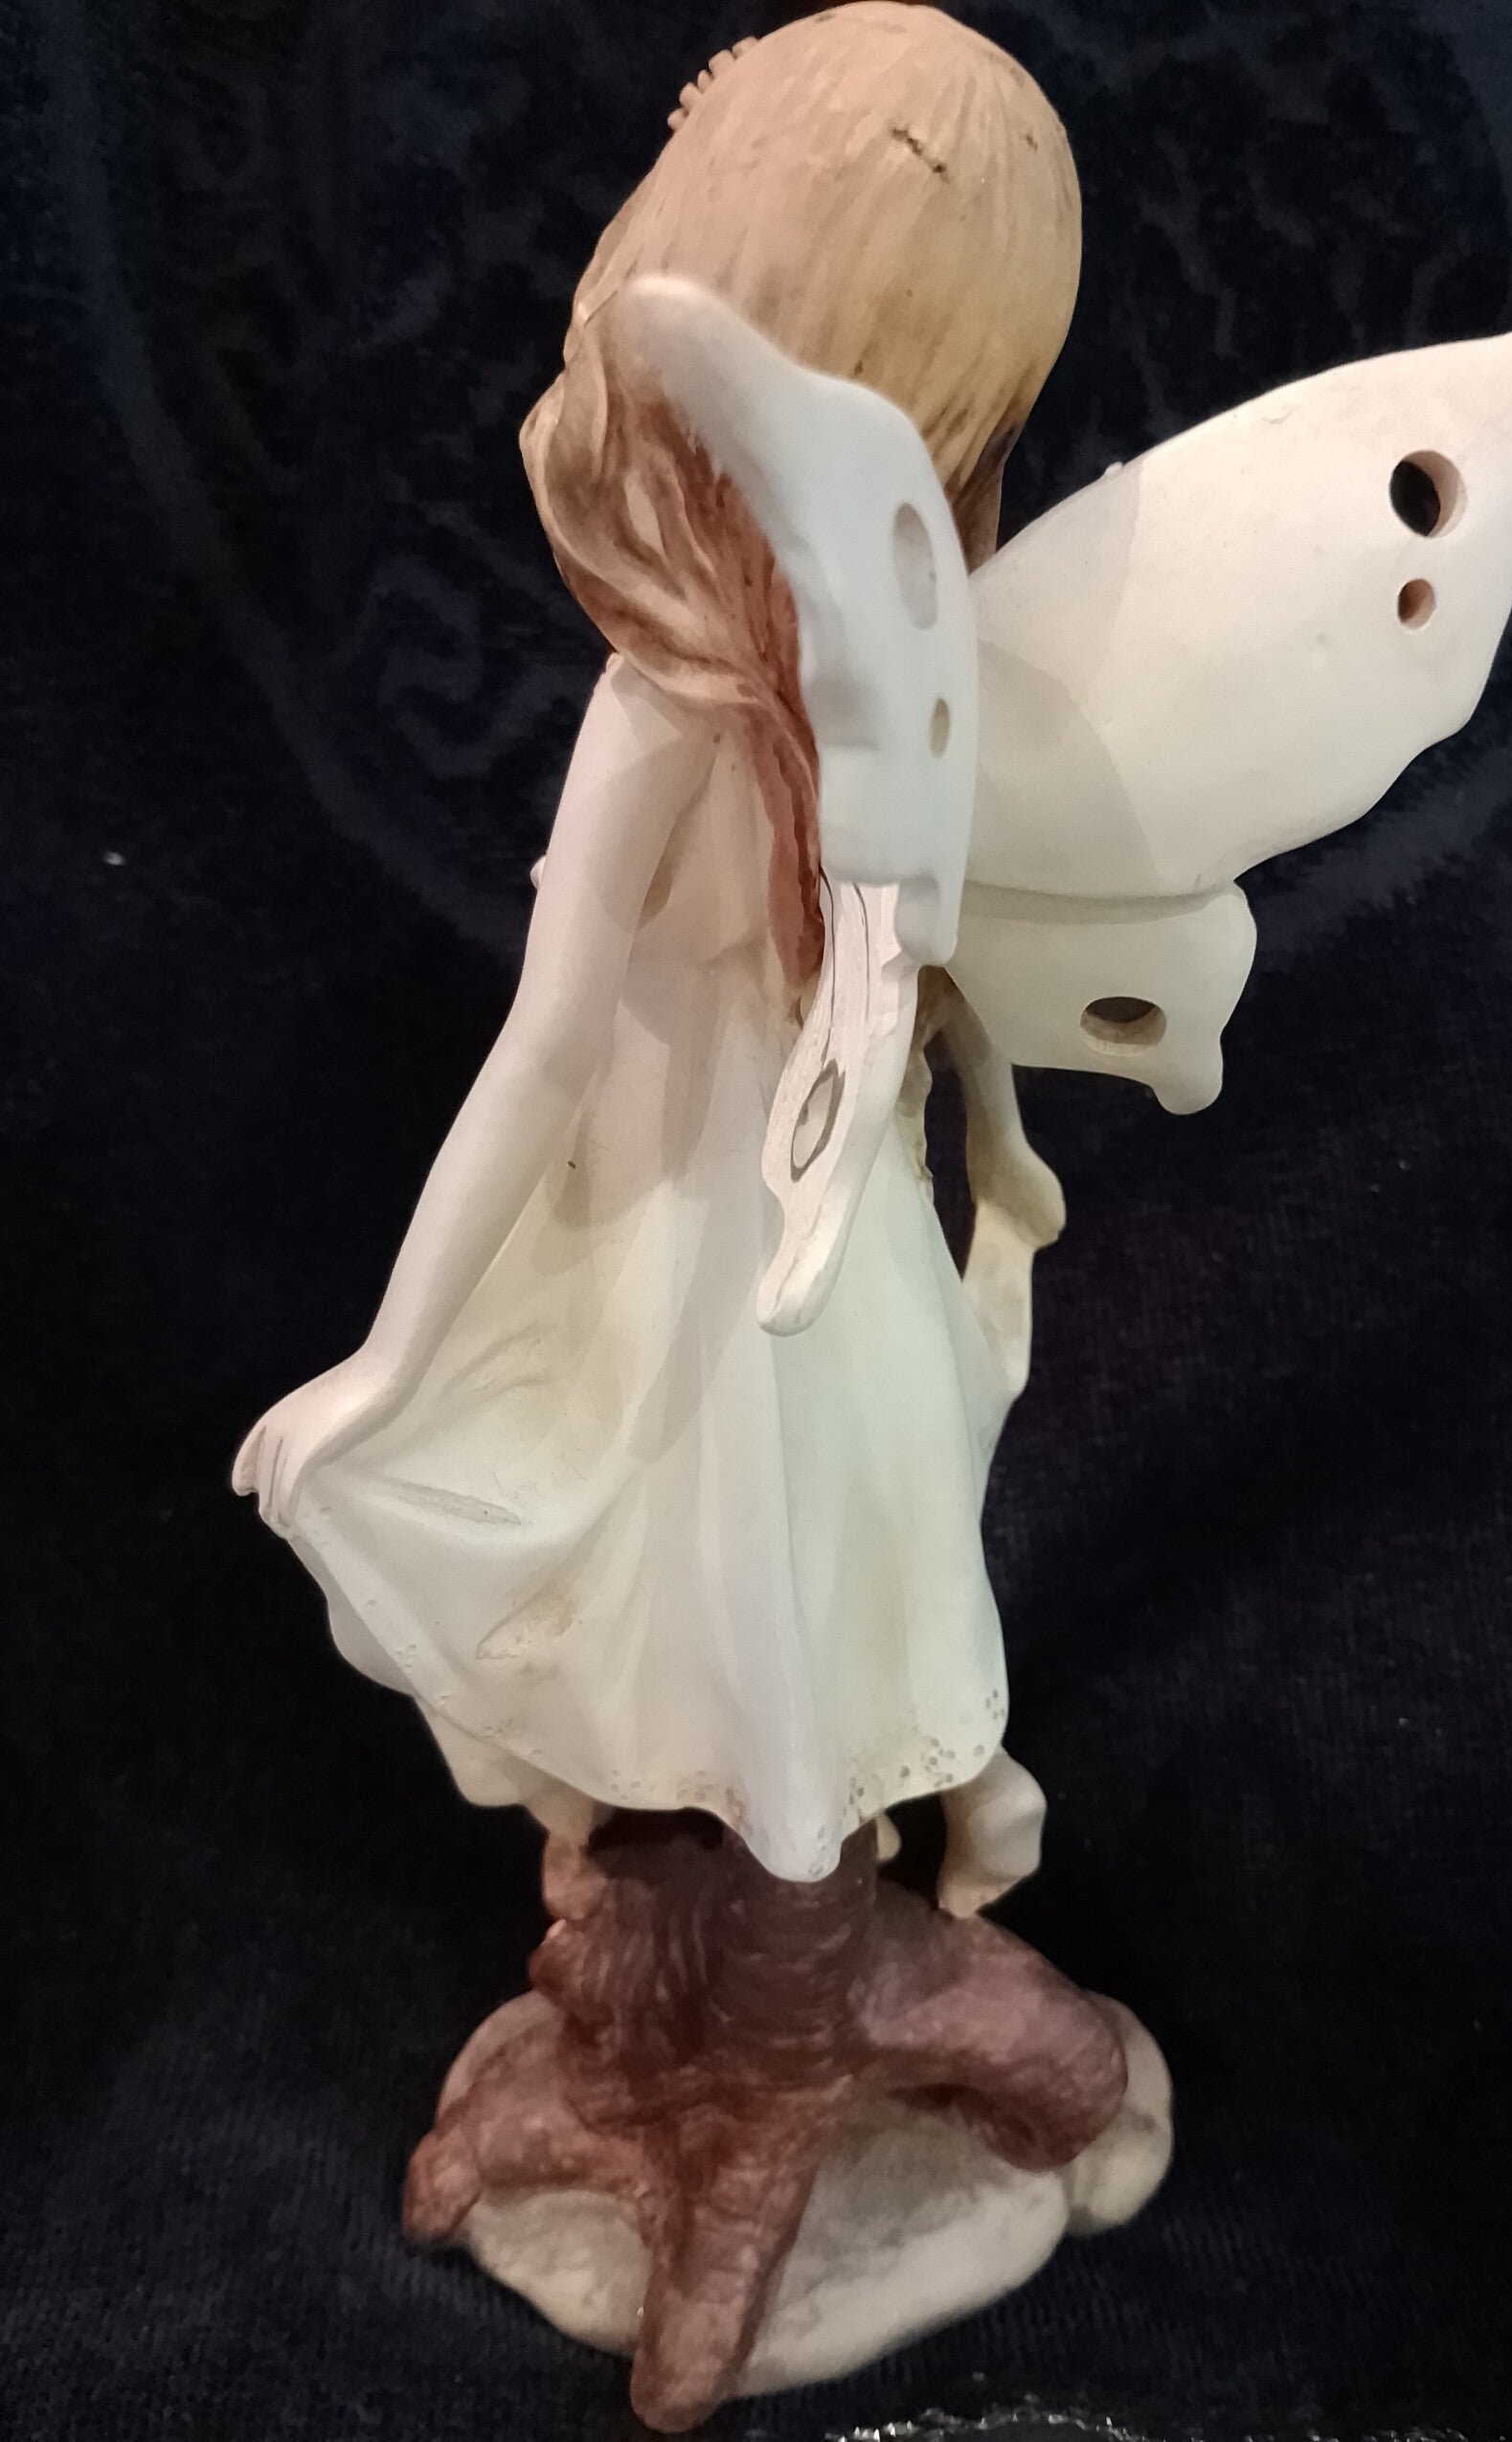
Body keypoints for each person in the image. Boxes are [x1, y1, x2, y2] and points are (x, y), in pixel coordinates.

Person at [232, 4, 1081, 1906]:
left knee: (737, 1561)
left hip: (702, 1237)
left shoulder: (677, 712)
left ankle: (817, 1883)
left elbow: (546, 1045)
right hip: (814, 1217)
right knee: (855, 1545)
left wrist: (395, 1359)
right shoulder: (896, 704)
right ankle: (906, 1821)